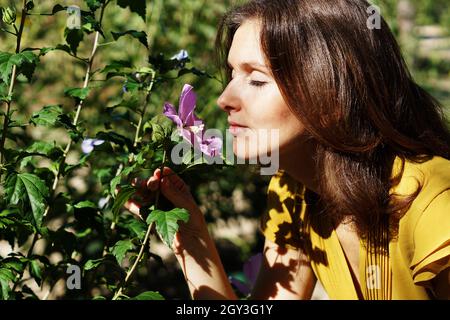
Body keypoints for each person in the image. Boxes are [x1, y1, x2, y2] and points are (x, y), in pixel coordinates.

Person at [125, 0, 450, 299]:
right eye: (233, 74)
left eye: (256, 80)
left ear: (330, 91)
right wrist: (191, 237)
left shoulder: (433, 202)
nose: (224, 99)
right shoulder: (293, 191)